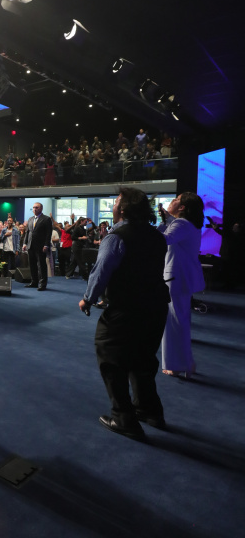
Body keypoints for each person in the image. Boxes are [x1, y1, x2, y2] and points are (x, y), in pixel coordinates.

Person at [79, 187, 169, 440]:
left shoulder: (116, 237)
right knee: (143, 360)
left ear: (123, 208)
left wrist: (88, 299)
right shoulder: (157, 236)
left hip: (127, 308)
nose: (113, 206)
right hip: (156, 307)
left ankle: (123, 418)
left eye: (116, 202)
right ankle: (149, 410)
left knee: (110, 356)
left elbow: (101, 271)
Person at [158, 193, 205, 378]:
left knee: (174, 322)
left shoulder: (181, 224)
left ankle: (178, 365)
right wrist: (167, 218)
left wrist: (162, 222)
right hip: (182, 277)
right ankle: (185, 363)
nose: (172, 201)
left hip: (175, 277)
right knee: (180, 320)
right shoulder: (188, 224)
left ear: (182, 207)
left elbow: (163, 240)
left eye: (176, 199)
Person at [25, 202, 53, 290]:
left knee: (41, 265)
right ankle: (34, 282)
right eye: (33, 207)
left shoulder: (46, 219)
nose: (34, 209)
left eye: (37, 207)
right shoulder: (30, 219)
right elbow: (28, 232)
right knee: (32, 265)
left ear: (41, 209)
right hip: (30, 245)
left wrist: (46, 245)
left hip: (41, 246)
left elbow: (48, 233)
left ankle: (42, 284)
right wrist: (25, 243)